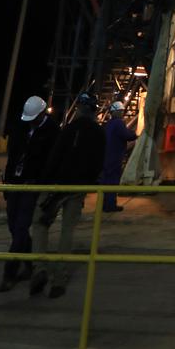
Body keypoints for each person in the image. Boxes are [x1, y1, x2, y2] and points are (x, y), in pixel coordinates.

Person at [29, 93, 106, 299]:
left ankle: (39, 268)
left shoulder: (68, 129)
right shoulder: (99, 133)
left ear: (79, 108)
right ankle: (59, 280)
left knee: (40, 224)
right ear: (94, 110)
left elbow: (55, 157)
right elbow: (98, 164)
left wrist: (45, 183)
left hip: (56, 185)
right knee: (67, 231)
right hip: (77, 188)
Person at [0, 95, 58, 292]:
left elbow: (51, 161)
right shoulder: (22, 127)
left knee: (21, 227)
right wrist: (8, 179)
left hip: (32, 185)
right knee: (13, 226)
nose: (31, 121)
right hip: (15, 184)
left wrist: (43, 182)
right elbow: (13, 155)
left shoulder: (52, 131)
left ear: (42, 114)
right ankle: (31, 264)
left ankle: (9, 273)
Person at [101, 100, 137, 213]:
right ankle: (110, 205)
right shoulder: (118, 123)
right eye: (121, 111)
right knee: (112, 181)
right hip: (115, 157)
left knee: (106, 181)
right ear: (115, 112)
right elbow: (127, 135)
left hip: (107, 157)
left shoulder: (108, 124)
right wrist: (135, 134)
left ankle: (105, 204)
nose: (122, 113)